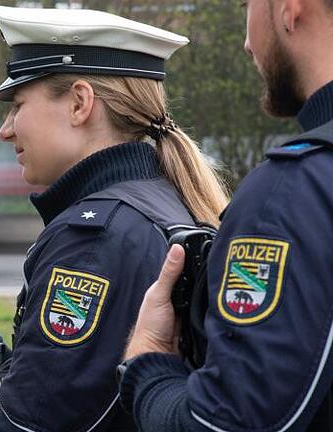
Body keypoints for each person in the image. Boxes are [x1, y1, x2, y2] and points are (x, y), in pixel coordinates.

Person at [0, 6, 227, 432]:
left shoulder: (94, 240)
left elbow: (23, 424)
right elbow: (10, 399)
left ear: (79, 103)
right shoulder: (161, 201)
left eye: (17, 105)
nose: (6, 129)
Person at [120, 0, 333, 430]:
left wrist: (149, 365)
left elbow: (227, 422)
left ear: (291, 9)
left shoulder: (293, 192)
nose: (247, 43)